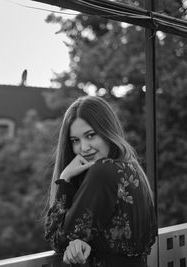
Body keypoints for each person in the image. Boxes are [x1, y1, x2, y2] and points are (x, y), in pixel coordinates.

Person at [44, 96, 157, 267]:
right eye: (75, 140)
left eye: (90, 135)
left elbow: (57, 240)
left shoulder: (103, 171)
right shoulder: (133, 171)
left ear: (107, 132)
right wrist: (81, 242)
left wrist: (64, 179)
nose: (83, 148)